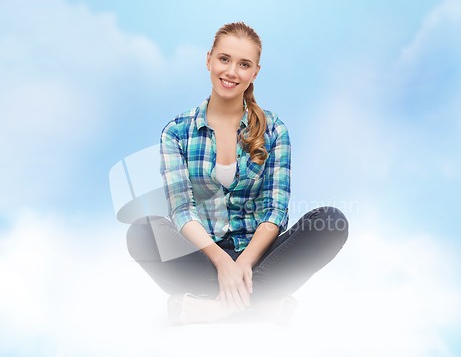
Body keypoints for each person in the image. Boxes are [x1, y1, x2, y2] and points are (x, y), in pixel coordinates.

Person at [126, 22, 348, 325]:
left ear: (255, 72)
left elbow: (276, 211)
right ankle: (261, 303)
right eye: (224, 59)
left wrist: (242, 263)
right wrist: (221, 263)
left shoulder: (274, 129)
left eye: (244, 64)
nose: (231, 72)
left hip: (259, 258)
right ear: (209, 60)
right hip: (202, 258)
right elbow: (181, 210)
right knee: (142, 231)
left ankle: (213, 307)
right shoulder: (177, 131)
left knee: (331, 222)